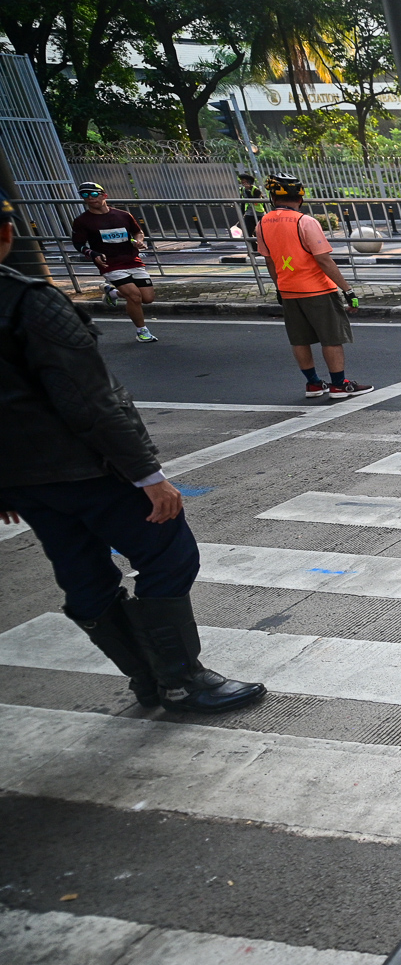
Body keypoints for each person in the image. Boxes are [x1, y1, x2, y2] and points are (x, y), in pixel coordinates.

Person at [0, 197, 265, 714]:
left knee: (81, 572)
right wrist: (148, 475)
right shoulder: (27, 301)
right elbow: (89, 399)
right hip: (86, 468)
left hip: (24, 481)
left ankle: (147, 678)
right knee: (168, 554)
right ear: (7, 233)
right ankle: (181, 680)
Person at [254, 174, 372, 401]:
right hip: (318, 290)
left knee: (300, 339)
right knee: (331, 338)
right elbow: (323, 259)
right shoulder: (305, 222)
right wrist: (348, 290)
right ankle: (339, 384)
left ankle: (313, 383)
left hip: (288, 291)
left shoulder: (262, 224)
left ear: (273, 198)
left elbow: (269, 261)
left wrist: (279, 287)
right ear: (300, 198)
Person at [70, 181, 157, 343]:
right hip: (110, 263)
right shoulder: (82, 221)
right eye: (85, 195)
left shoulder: (123, 215)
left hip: (132, 259)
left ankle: (112, 293)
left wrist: (138, 241)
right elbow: (78, 243)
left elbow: (138, 232)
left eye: (94, 194)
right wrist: (92, 253)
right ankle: (142, 331)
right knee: (134, 297)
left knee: (147, 298)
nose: (90, 198)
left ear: (104, 195)